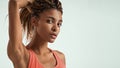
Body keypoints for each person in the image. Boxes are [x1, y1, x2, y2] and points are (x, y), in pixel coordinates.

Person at [7, 0, 66, 68]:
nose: (55, 28)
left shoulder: (61, 57)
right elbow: (15, 2)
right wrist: (35, 2)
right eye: (49, 21)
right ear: (34, 21)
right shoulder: (22, 55)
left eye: (59, 24)